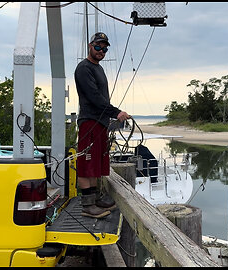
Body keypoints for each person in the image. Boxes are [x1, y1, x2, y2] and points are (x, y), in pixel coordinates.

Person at [74, 32, 130, 218]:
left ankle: (96, 199)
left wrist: (110, 117)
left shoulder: (98, 68)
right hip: (89, 122)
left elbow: (101, 98)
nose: (101, 51)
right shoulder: (84, 68)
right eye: (98, 46)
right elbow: (94, 97)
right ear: (90, 46)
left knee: (95, 164)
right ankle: (87, 206)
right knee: (86, 163)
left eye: (104, 48)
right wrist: (116, 112)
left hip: (100, 124)